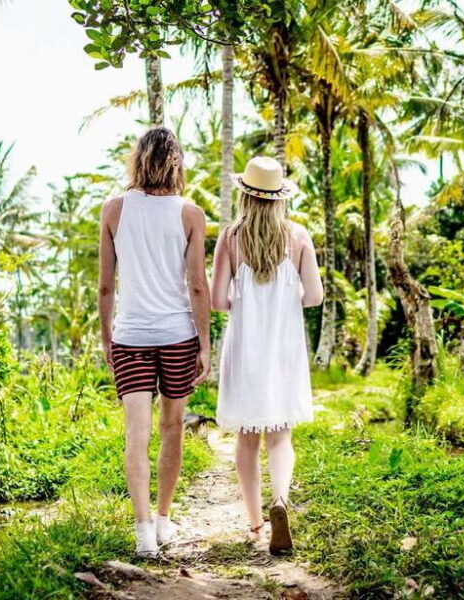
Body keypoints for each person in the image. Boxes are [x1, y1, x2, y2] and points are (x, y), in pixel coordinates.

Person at [98, 127, 211, 558]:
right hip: (177, 335)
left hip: (130, 336)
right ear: (176, 163)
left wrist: (108, 338)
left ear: (138, 161)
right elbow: (197, 286)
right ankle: (163, 521)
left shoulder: (114, 210)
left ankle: (143, 530)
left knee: (135, 435)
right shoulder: (190, 213)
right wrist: (204, 343)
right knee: (171, 431)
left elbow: (106, 286)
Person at [210, 156, 323, 555]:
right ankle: (280, 501)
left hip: (246, 348)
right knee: (280, 435)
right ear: (279, 198)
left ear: (245, 196)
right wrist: (284, 292)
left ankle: (256, 524)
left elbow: (218, 301)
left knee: (246, 437)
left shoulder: (231, 238)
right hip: (284, 348)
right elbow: (314, 296)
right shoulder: (298, 236)